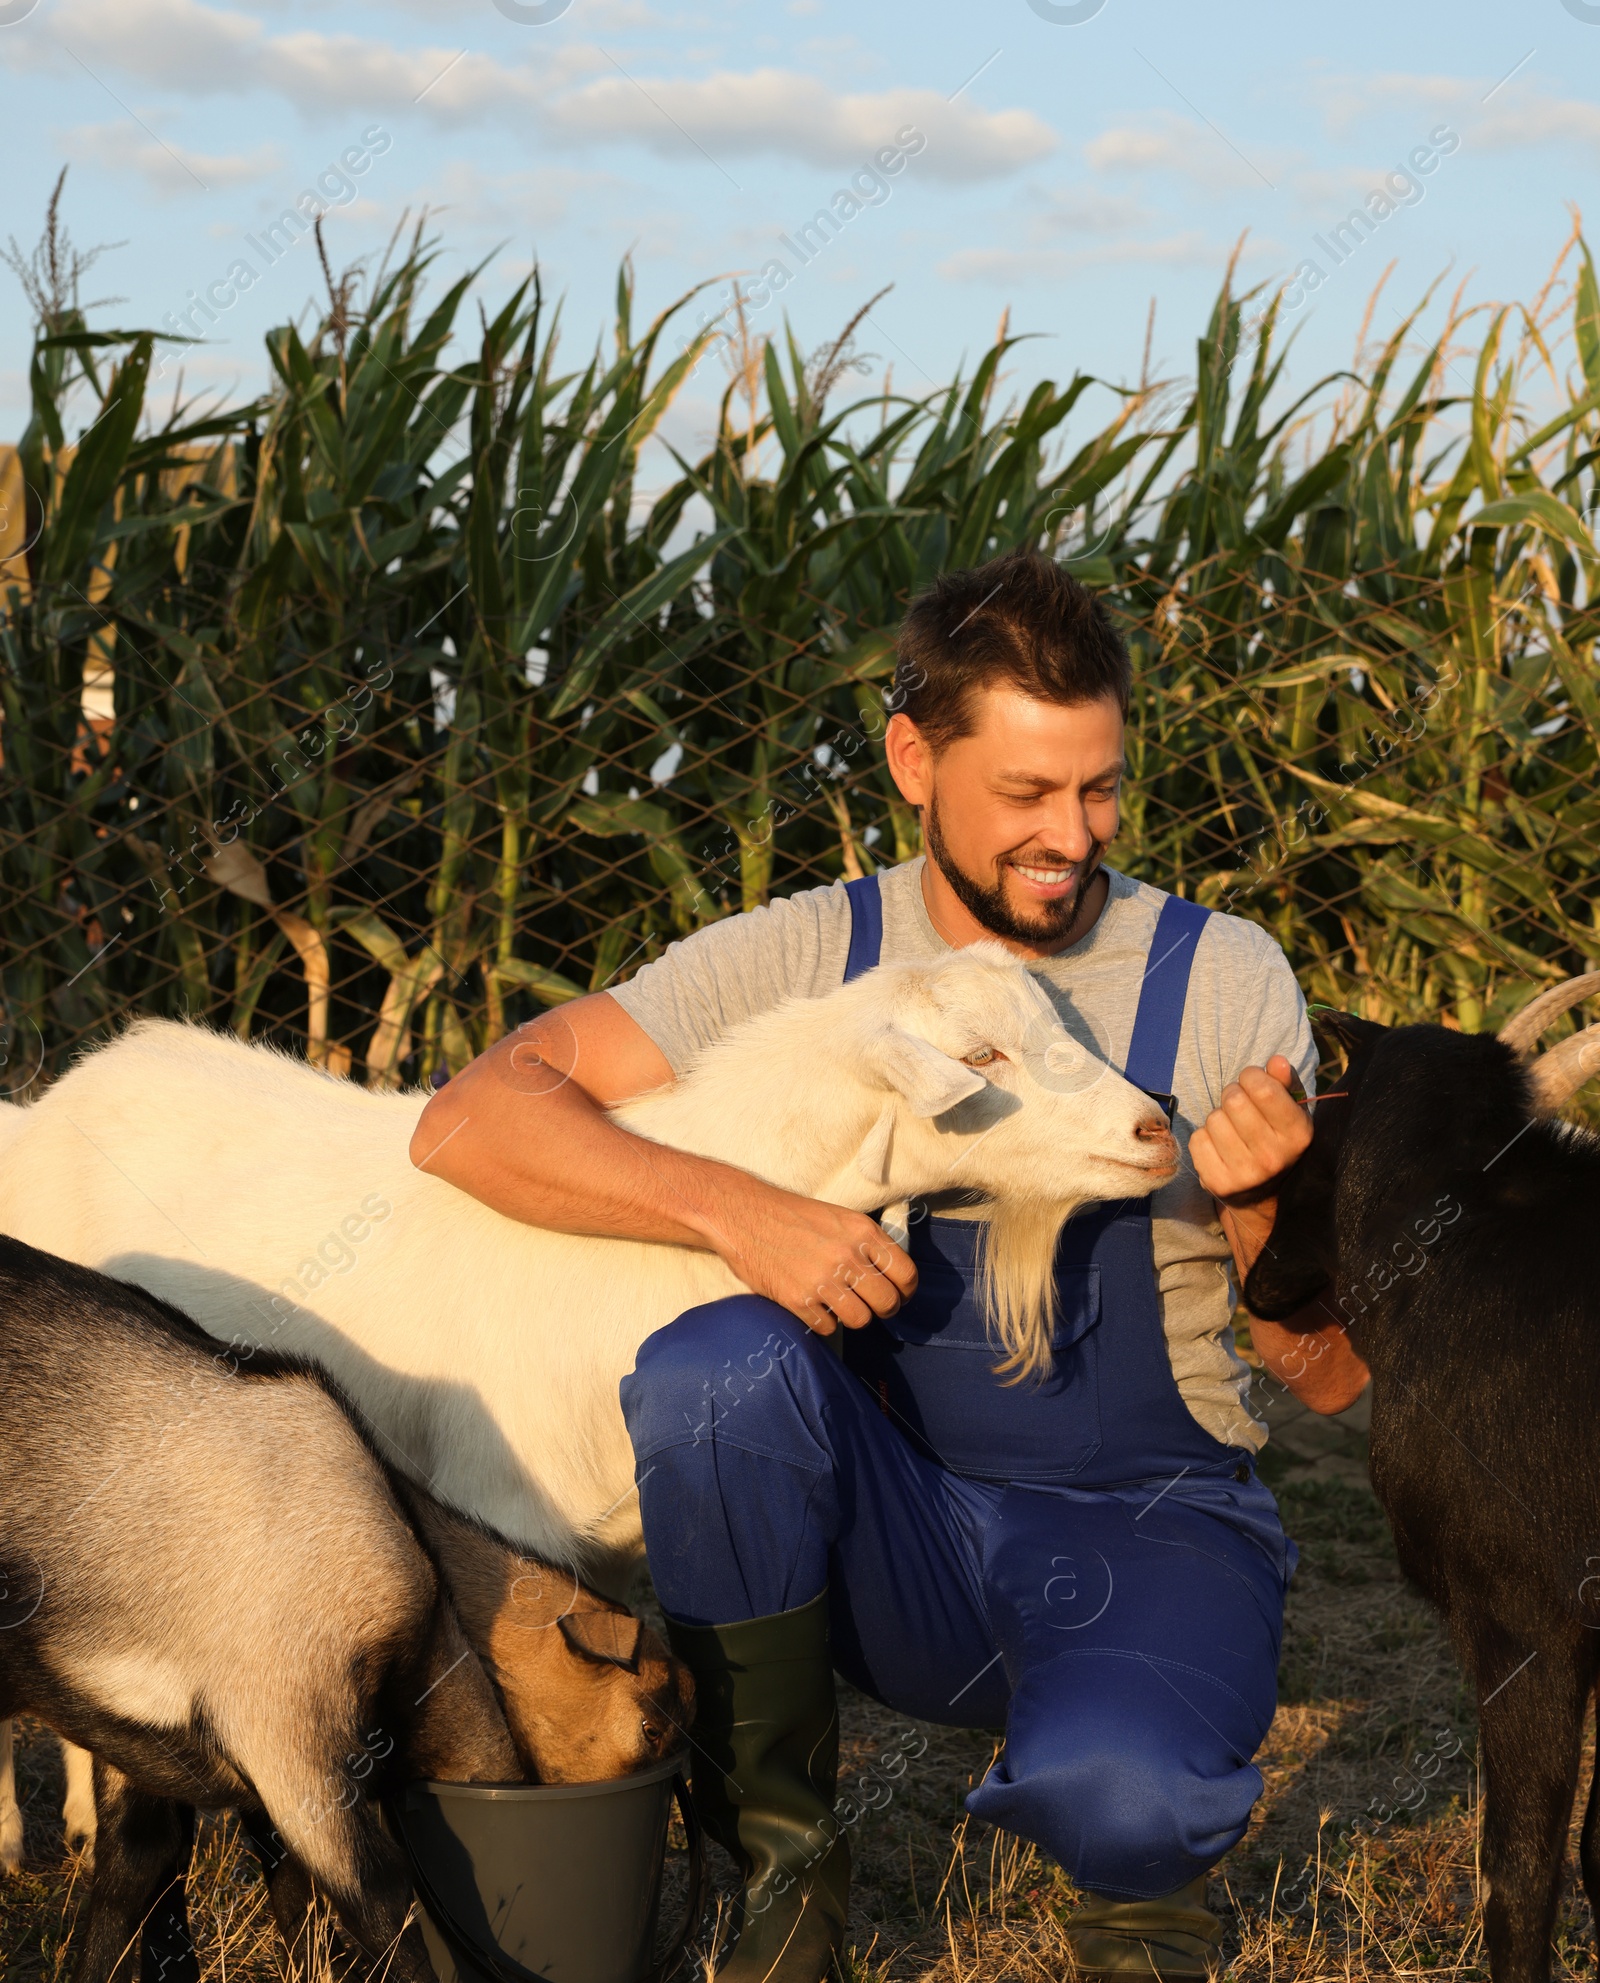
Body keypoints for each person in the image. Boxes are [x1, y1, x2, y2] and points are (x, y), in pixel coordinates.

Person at [412, 551, 1369, 1983]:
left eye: (1101, 789)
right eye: (1027, 797)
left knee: (1130, 1796)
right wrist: (739, 1213)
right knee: (715, 1369)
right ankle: (783, 1890)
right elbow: (473, 1116)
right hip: (891, 1532)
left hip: (1141, 1526)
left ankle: (1141, 1893)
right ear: (914, 759)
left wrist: (1259, 1223)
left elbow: (1332, 1377)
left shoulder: (1223, 980)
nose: (1073, 836)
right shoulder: (807, 957)